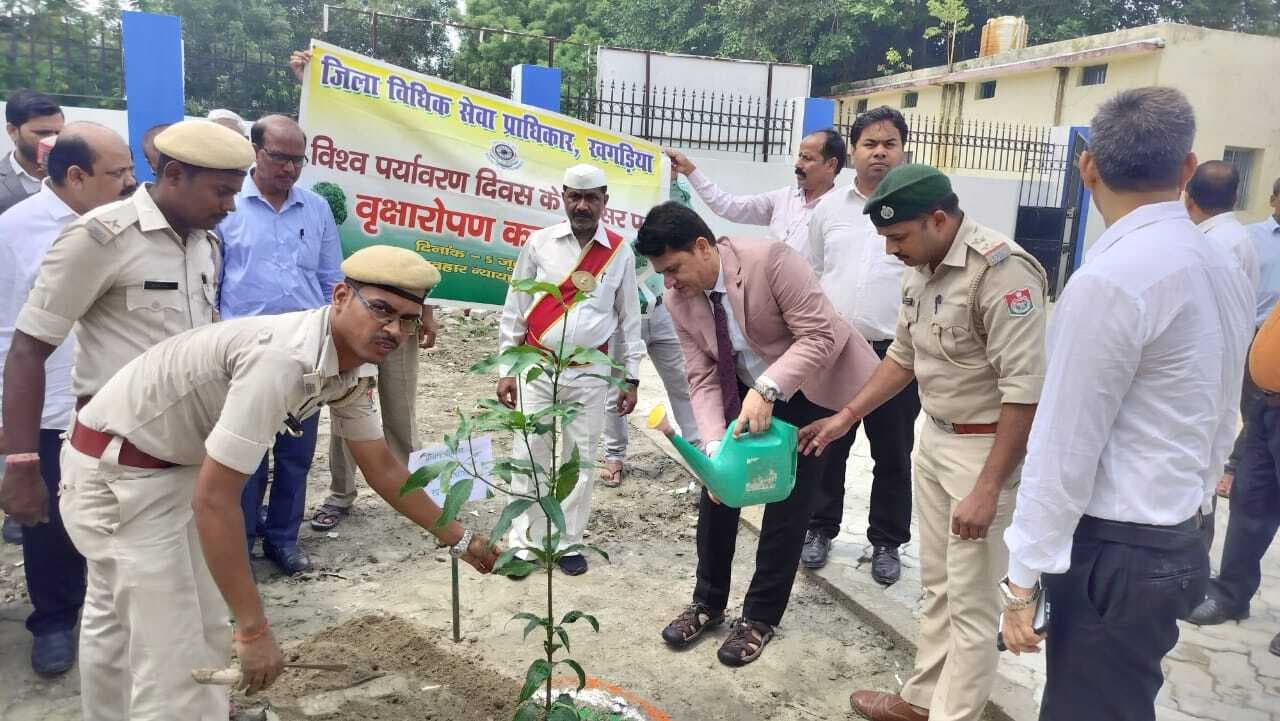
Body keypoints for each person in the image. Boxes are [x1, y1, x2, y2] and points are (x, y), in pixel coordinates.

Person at [58, 244, 500, 720]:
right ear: (339, 297)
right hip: (123, 477)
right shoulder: (283, 359)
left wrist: (459, 538)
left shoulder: (355, 363)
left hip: (153, 465)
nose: (393, 329)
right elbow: (216, 501)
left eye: (407, 320)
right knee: (175, 655)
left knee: (129, 629)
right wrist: (253, 630)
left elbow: (381, 467)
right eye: (381, 310)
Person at [1000, 87, 1254, 721]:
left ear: (1086, 167)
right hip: (1174, 535)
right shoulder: (1218, 261)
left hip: (1118, 551)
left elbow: (1064, 448)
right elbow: (1224, 407)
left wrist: (1021, 579)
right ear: (1187, 169)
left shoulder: (1111, 281)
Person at [0, 119, 252, 682]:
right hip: (120, 465)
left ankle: (185, 702)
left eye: (235, 191)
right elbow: (27, 350)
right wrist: (18, 462)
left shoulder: (206, 245)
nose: (231, 206)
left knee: (158, 609)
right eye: (221, 192)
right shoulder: (100, 238)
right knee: (148, 618)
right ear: (174, 175)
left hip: (185, 457)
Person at [799, 165, 1047, 721]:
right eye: (885, 239)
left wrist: (988, 488)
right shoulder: (921, 267)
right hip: (934, 439)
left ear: (939, 218)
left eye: (898, 237)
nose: (890, 251)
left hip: (985, 452)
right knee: (938, 587)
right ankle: (920, 701)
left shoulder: (1002, 273)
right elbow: (903, 358)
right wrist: (846, 416)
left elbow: (1024, 393)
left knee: (973, 603)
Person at [637, 201, 878, 666]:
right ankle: (707, 602)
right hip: (742, 387)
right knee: (718, 491)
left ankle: (760, 617)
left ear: (702, 247)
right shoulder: (677, 299)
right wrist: (711, 447)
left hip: (808, 386)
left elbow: (821, 336)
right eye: (661, 273)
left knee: (787, 500)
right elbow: (702, 374)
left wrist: (770, 388)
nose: (668, 282)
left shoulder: (773, 261)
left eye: (673, 268)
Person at [0, 123, 135, 676]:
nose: (131, 183)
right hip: (51, 409)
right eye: (118, 174)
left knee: (118, 525)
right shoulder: (17, 231)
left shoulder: (131, 226)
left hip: (120, 406)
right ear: (75, 177)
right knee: (50, 525)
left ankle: (116, 623)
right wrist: (13, 441)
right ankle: (54, 619)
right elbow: (9, 337)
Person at [497, 163, 643, 576]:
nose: (582, 205)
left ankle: (566, 541)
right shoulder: (538, 243)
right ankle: (524, 544)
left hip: (589, 373)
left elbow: (629, 319)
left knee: (578, 459)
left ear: (604, 202)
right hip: (536, 367)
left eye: (591, 198)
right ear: (562, 197)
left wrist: (629, 377)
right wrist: (507, 366)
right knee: (529, 453)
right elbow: (515, 306)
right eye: (574, 197)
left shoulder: (619, 252)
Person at [216, 114, 344, 575]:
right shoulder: (227, 206)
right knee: (246, 455)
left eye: (298, 160)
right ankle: (243, 541)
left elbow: (333, 280)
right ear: (255, 151)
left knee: (295, 456)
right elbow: (213, 280)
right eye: (280, 157)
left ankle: (283, 540)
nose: (290, 169)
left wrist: (338, 348)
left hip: (305, 352)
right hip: (244, 352)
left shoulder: (315, 208)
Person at [802, 105, 918, 582]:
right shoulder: (829, 208)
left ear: (903, 149)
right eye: (869, 144)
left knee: (893, 452)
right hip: (837, 351)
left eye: (889, 143)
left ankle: (887, 542)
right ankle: (819, 528)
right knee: (827, 443)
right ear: (852, 151)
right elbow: (813, 272)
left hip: (898, 354)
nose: (879, 153)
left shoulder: (919, 206)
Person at [599, 169, 702, 486]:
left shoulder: (674, 188)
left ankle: (700, 453)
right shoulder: (614, 195)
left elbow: (682, 220)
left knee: (684, 382)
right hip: (621, 314)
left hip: (662, 307)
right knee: (616, 387)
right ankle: (614, 455)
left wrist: (668, 181)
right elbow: (619, 253)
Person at [1183, 160, 1259, 541]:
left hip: (1206, 370)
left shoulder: (1210, 244)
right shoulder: (1239, 237)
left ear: (1188, 197)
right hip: (1228, 363)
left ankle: (1195, 553)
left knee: (1200, 467)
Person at [664, 128, 842, 252]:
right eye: (799, 156)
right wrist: (689, 170)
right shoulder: (783, 198)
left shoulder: (837, 211)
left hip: (804, 303)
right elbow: (728, 206)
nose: (798, 165)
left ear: (831, 164)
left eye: (807, 158)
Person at [0, 89, 64, 215]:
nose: (53, 140)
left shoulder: (76, 176)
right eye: (42, 133)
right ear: (13, 131)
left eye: (58, 133)